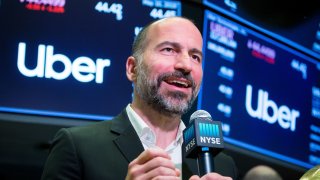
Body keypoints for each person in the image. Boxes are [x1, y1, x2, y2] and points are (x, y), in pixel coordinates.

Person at [41, 16, 238, 180]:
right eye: (169, 50)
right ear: (133, 69)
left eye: (195, 56)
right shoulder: (78, 146)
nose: (186, 65)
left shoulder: (222, 166)